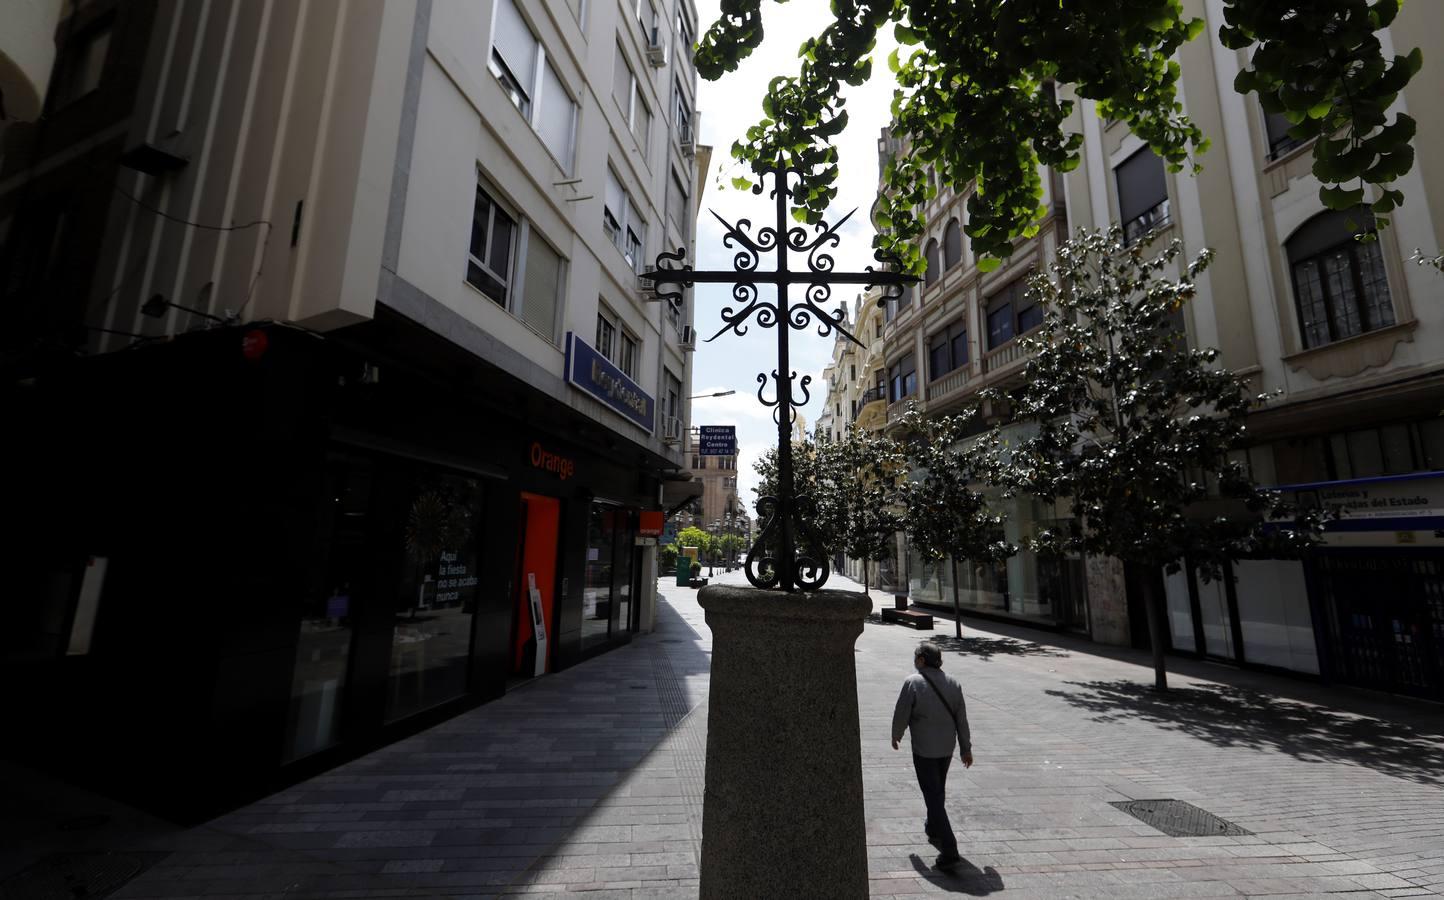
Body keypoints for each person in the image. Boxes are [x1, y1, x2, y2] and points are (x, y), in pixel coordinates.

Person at [891, 641, 973, 870]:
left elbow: (902, 712)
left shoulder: (913, 682)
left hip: (924, 749)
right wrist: (966, 749)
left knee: (932, 794)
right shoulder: (953, 683)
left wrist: (896, 734)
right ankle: (934, 827)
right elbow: (962, 719)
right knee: (937, 789)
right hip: (947, 748)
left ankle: (950, 848)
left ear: (921, 660)